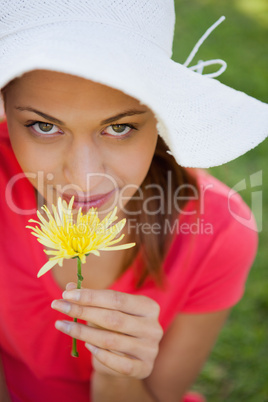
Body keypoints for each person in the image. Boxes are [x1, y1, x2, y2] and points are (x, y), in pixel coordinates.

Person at [0, 1, 267, 401]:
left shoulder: (221, 233)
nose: (85, 176)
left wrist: (118, 376)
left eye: (119, 127)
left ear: (158, 117)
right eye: (45, 126)